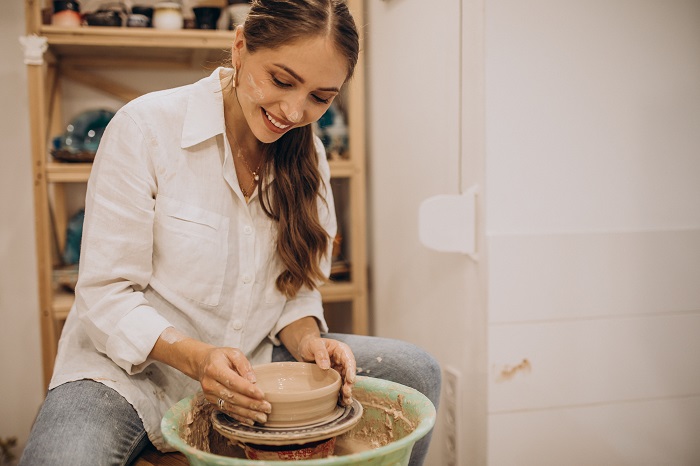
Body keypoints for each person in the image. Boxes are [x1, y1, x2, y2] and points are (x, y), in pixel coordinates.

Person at [20, 1, 441, 465]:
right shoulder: (146, 128)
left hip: (250, 367)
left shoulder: (310, 157)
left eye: (320, 97)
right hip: (128, 375)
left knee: (417, 372)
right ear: (239, 47)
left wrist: (308, 342)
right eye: (281, 80)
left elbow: (295, 295)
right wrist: (200, 360)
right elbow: (106, 297)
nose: (294, 111)